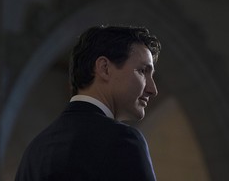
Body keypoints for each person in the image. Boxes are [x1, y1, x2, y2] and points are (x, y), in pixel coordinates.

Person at [15, 25, 161, 181]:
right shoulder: (122, 140)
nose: (153, 89)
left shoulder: (35, 150)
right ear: (105, 68)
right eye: (142, 71)